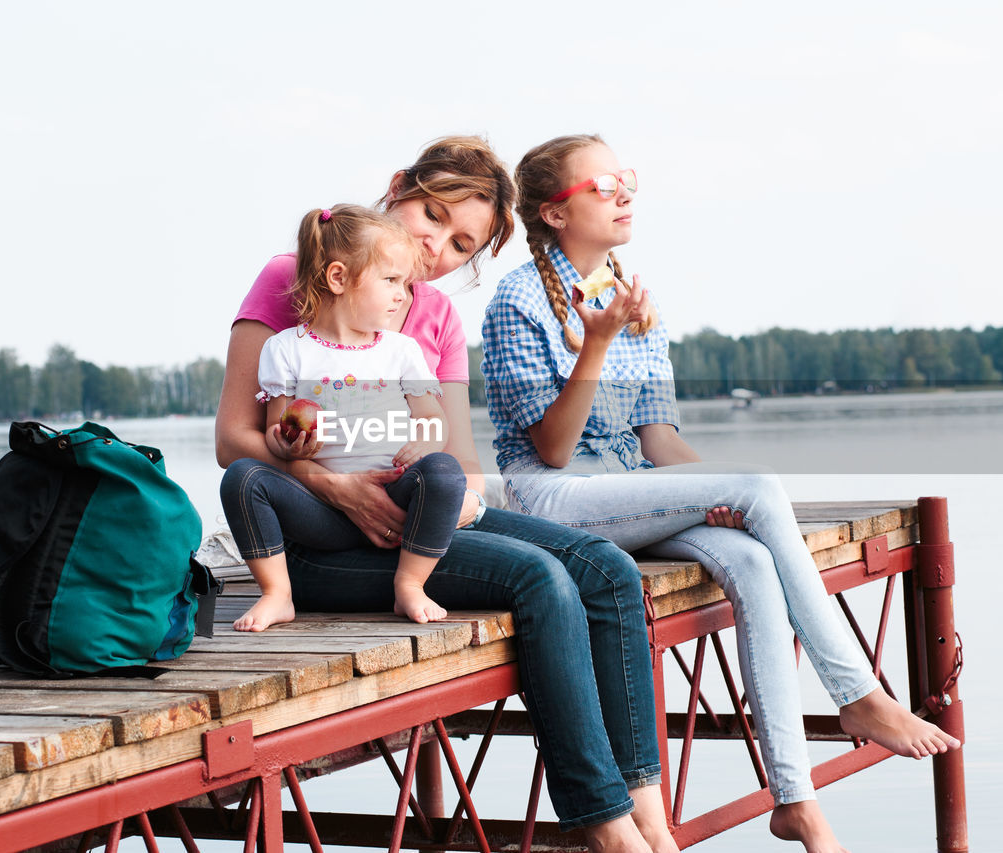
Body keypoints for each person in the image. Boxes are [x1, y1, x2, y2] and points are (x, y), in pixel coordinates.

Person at [480, 134, 962, 853]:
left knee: (756, 556)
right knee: (760, 488)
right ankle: (859, 695)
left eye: (627, 181)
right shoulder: (517, 301)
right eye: (604, 185)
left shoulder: (633, 297)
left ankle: (796, 801)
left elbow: (660, 442)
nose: (624, 195)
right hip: (551, 499)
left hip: (629, 492)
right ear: (553, 212)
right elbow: (551, 448)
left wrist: (724, 497)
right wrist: (597, 345)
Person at [215, 137, 677, 852]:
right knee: (539, 578)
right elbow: (235, 440)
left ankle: (649, 812)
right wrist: (334, 485)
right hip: (325, 535)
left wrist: (447, 493)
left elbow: (457, 451)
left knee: (607, 570)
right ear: (397, 186)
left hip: (421, 515)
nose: (435, 248)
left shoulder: (431, 318)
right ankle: (605, 823)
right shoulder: (299, 275)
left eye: (462, 245)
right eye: (432, 215)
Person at [224, 204, 466, 629]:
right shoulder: (286, 349)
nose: (401, 294)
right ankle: (278, 592)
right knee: (242, 477)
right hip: (322, 510)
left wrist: (426, 442)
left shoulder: (400, 351)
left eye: (404, 283)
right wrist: (289, 444)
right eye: (391, 280)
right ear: (338, 278)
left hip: (395, 495)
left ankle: (409, 584)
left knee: (444, 471)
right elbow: (274, 434)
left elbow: (434, 418)